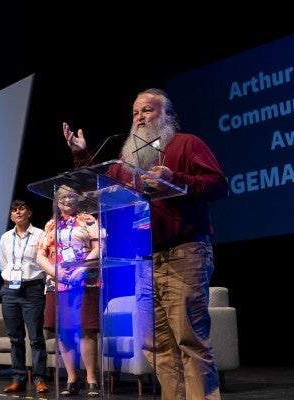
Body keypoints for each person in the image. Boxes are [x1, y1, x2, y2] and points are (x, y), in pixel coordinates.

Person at [62, 88, 229, 400]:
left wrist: (174, 178)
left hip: (184, 252)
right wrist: (82, 155)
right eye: (135, 113)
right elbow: (93, 184)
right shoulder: (127, 161)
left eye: (147, 111)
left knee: (189, 340)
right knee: (155, 343)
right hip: (144, 260)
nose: (139, 118)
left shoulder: (186, 144)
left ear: (165, 115)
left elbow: (219, 185)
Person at [36, 185, 103, 397]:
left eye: (71, 196)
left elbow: (99, 247)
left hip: (86, 281)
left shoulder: (89, 220)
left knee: (86, 329)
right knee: (63, 331)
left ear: (77, 199)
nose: (67, 199)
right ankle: (72, 379)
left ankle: (91, 380)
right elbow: (40, 256)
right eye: (63, 197)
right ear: (56, 201)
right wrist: (56, 274)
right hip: (58, 284)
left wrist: (83, 269)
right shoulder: (49, 225)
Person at [0, 199, 49, 393]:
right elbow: (3, 264)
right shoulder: (5, 238)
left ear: (29, 213)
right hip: (10, 290)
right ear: (11, 216)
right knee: (15, 338)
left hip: (32, 289)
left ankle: (39, 379)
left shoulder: (40, 234)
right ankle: (18, 378)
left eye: (22, 209)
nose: (18, 212)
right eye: (14, 210)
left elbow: (44, 261)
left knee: (36, 338)